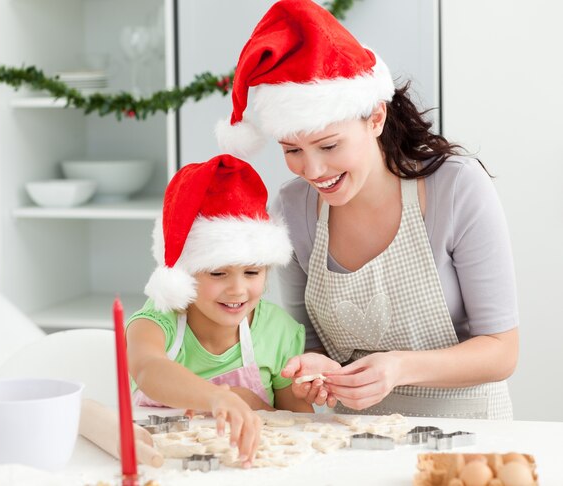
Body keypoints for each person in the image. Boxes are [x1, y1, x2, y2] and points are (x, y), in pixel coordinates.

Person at [215, 0, 518, 420]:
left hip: (467, 431)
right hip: (351, 437)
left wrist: (397, 368)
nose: (314, 170)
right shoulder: (292, 208)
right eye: (292, 150)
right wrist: (315, 370)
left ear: (375, 118)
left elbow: (502, 350)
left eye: (329, 145)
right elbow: (306, 340)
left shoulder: (456, 188)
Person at [126, 154, 313, 467]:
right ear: (186, 271)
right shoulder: (160, 319)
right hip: (162, 469)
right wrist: (217, 398)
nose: (237, 289)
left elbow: (299, 428)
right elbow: (147, 370)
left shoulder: (278, 332)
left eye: (252, 273)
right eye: (217, 273)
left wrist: (255, 405)